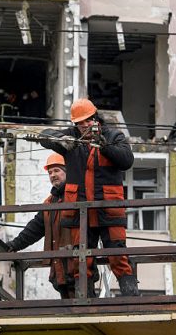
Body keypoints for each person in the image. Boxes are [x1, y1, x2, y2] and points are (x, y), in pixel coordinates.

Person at [36, 98, 139, 296]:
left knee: (116, 252)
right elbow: (44, 136)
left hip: (108, 208)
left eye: (86, 121)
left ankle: (130, 294)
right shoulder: (71, 138)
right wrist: (58, 139)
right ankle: (86, 296)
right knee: (81, 257)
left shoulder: (113, 135)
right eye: (79, 122)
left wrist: (104, 145)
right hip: (80, 211)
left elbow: (126, 160)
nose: (83, 125)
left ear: (95, 119)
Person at [6, 153, 95, 298]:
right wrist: (14, 244)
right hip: (60, 271)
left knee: (85, 310)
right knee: (69, 314)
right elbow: (34, 229)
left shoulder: (80, 195)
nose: (53, 175)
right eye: (50, 172)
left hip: (80, 268)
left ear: (67, 171)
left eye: (57, 170)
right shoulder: (49, 204)